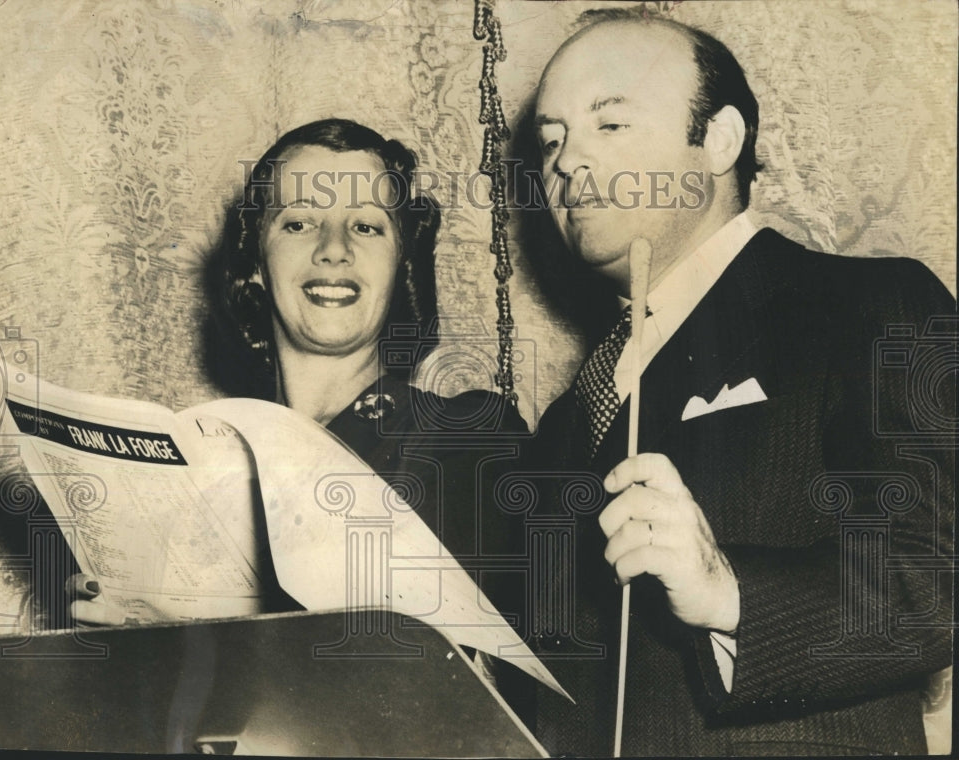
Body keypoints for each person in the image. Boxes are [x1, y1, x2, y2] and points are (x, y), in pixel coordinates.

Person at [521, 10, 955, 756]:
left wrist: (729, 594)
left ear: (719, 140)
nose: (565, 162)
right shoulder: (568, 416)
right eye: (552, 140)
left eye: (610, 125)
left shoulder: (873, 307)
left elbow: (933, 579)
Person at [71, 118, 528, 629]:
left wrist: (195, 635)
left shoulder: (469, 437)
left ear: (401, 266)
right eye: (298, 223)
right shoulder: (196, 479)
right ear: (254, 265)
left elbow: (407, 656)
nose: (334, 247)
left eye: (366, 226)